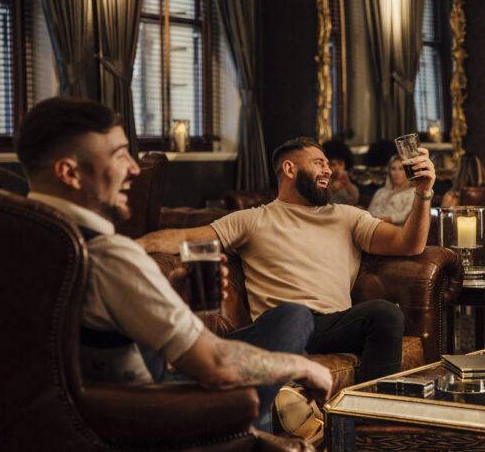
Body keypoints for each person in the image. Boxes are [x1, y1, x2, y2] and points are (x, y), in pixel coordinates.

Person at [15, 96, 332, 433]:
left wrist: (167, 295)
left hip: (61, 427)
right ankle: (248, 442)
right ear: (69, 172)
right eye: (120, 155)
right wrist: (301, 367)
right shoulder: (108, 256)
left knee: (292, 315)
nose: (135, 169)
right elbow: (217, 364)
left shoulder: (11, 239)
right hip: (146, 422)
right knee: (280, 350)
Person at [138, 138, 436, 384]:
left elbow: (409, 244)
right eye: (319, 162)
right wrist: (134, 246)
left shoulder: (348, 217)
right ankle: (285, 383)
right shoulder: (253, 220)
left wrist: (423, 193)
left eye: (328, 164)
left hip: (331, 326)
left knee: (385, 314)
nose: (328, 170)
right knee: (292, 318)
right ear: (290, 168)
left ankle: (369, 422)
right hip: (279, 327)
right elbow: (186, 237)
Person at [367, 155, 416, 225]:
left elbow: (405, 216)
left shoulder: (412, 192)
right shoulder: (381, 191)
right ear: (389, 171)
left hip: (393, 229)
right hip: (371, 225)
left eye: (401, 169)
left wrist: (381, 220)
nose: (397, 173)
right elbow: (369, 211)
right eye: (393, 169)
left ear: (407, 171)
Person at [323, 140, 359, 206]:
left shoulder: (352, 187)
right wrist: (332, 190)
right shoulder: (322, 185)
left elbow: (352, 209)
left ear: (346, 165)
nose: (337, 168)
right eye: (333, 164)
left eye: (340, 164)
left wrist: (350, 189)